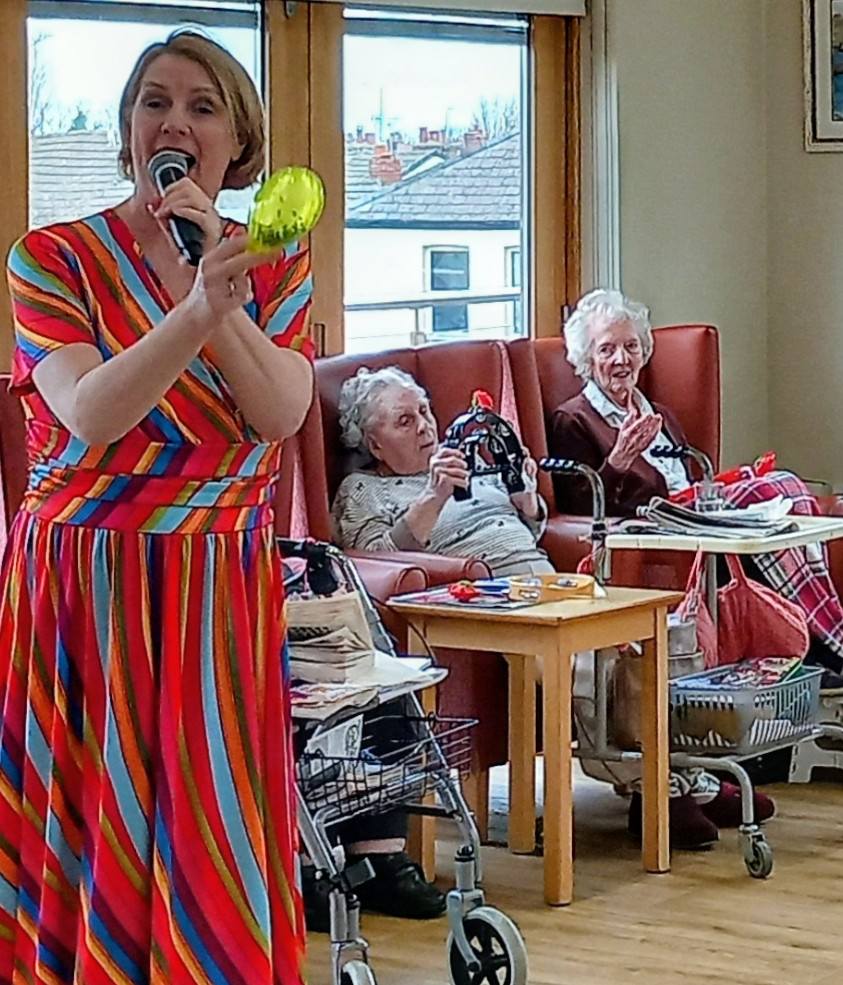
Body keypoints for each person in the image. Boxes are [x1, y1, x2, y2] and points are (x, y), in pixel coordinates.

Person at [0, 32, 314, 984]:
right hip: (85, 583)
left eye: (202, 106)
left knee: (208, 818)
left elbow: (280, 411)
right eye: (154, 102)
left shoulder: (272, 260)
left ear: (238, 141)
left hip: (216, 584)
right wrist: (195, 307)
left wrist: (215, 289)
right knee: (88, 821)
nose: (174, 123)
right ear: (129, 130)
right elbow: (92, 414)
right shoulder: (49, 258)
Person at [331, 366, 771, 851]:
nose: (424, 426)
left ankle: (681, 778)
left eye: (425, 411)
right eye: (405, 421)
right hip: (489, 599)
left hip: (547, 581)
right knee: (589, 659)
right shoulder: (363, 491)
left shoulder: (468, 465)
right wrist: (434, 496)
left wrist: (525, 497)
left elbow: (533, 528)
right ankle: (660, 788)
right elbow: (376, 556)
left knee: (658, 636)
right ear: (373, 444)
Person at [550, 288, 843, 689]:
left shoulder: (659, 415)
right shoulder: (574, 419)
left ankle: (812, 645)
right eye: (607, 349)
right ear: (587, 359)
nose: (621, 359)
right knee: (777, 488)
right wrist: (617, 461)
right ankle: (826, 646)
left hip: (697, 516)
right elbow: (577, 501)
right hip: (656, 525)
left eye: (631, 347)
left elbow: (690, 476)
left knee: (785, 488)